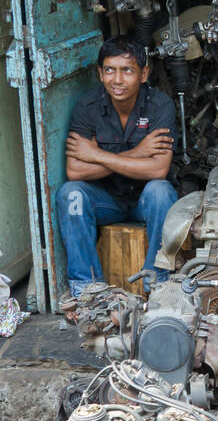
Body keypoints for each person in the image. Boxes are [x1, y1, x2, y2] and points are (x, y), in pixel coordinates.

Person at [56, 38, 179, 297]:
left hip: (145, 201)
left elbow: (157, 170)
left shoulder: (161, 106)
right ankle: (87, 289)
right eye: (110, 70)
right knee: (71, 194)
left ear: (144, 73)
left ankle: (157, 281)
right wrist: (137, 153)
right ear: (100, 74)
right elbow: (76, 172)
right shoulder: (87, 108)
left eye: (127, 70)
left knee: (161, 190)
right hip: (106, 201)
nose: (118, 80)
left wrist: (96, 155)